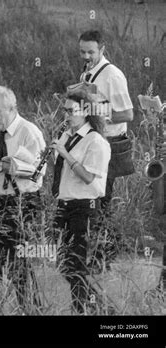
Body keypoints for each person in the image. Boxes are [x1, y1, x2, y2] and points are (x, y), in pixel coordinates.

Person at [0, 86, 46, 313]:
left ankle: (26, 307)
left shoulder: (29, 132)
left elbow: (37, 171)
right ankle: (14, 306)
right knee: (5, 257)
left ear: (12, 108)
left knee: (18, 257)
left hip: (23, 201)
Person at [77, 30, 134, 272]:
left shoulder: (112, 75)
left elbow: (128, 114)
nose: (86, 56)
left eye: (91, 51)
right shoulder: (86, 72)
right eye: (82, 51)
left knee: (101, 199)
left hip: (109, 144)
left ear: (102, 49)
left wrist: (99, 114)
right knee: (96, 200)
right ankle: (109, 248)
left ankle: (104, 257)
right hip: (94, 142)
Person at [50, 91, 112, 314]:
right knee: (64, 264)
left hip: (84, 207)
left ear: (86, 112)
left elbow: (87, 177)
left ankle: (81, 309)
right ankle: (104, 309)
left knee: (77, 265)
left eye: (71, 111)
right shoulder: (68, 135)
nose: (66, 115)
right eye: (65, 110)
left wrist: (65, 154)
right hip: (64, 205)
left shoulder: (96, 141)